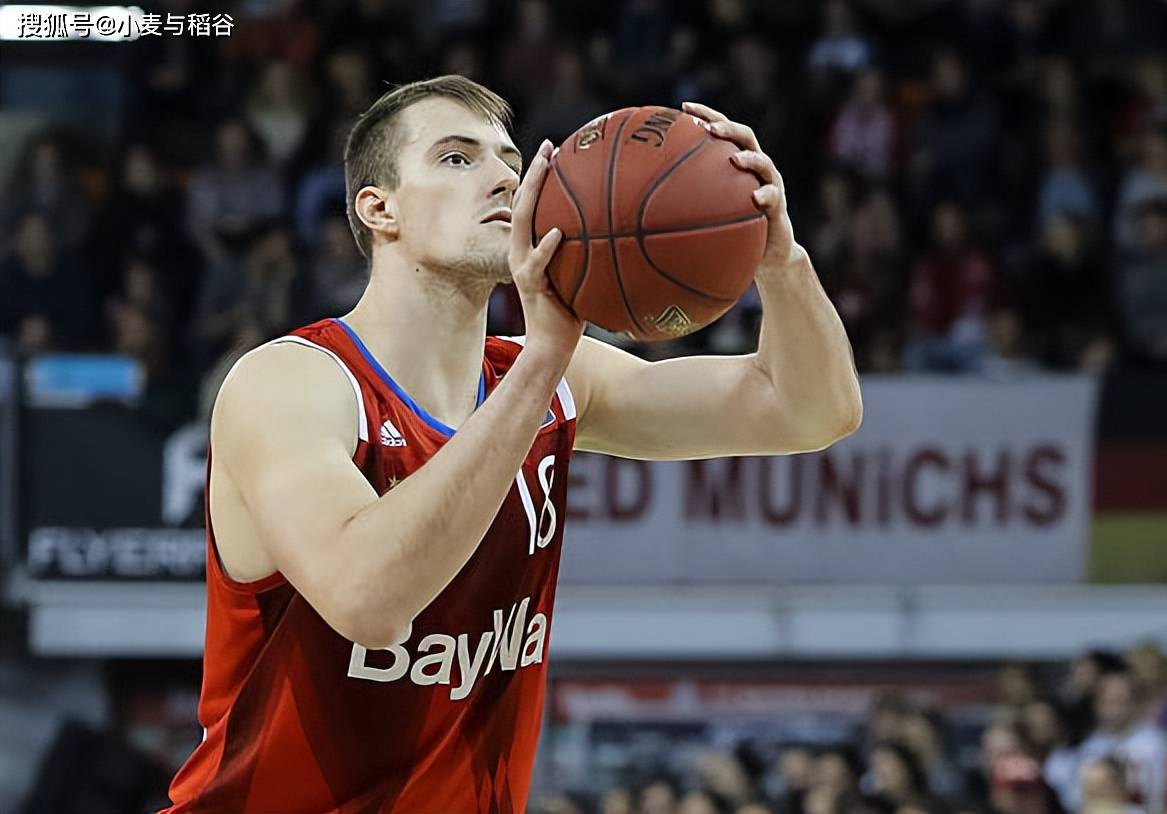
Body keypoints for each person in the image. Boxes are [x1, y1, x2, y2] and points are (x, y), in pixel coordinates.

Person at [161, 75, 862, 812]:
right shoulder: (292, 383)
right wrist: (541, 365)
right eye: (457, 159)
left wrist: (778, 260)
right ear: (380, 209)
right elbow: (369, 599)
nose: (503, 176)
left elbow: (808, 411)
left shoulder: (553, 376)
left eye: (508, 157)